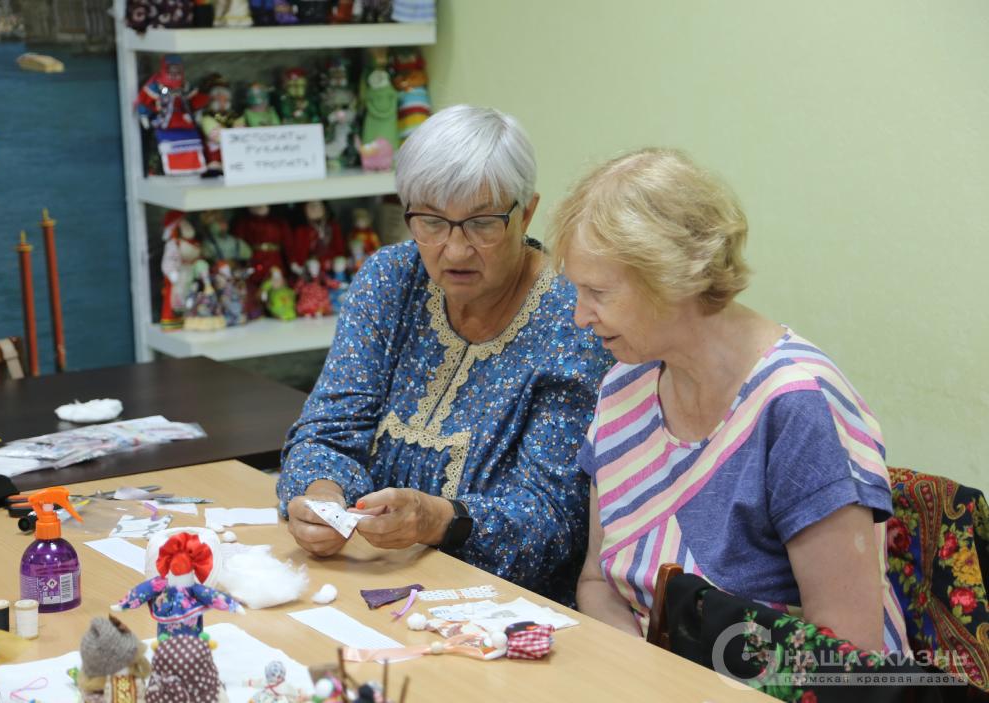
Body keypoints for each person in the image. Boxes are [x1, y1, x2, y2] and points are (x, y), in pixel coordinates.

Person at [551, 148, 908, 652]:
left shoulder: (799, 406)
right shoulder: (623, 387)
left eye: (598, 292)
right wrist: (641, 676)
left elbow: (847, 655)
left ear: (673, 278)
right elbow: (596, 583)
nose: (580, 317)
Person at [277, 105, 611, 605]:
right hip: (361, 581)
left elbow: (553, 525)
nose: (454, 250)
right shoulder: (390, 279)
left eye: (481, 224)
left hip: (501, 608)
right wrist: (323, 496)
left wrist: (438, 520)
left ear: (526, 212)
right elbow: (327, 430)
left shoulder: (574, 321)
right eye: (431, 221)